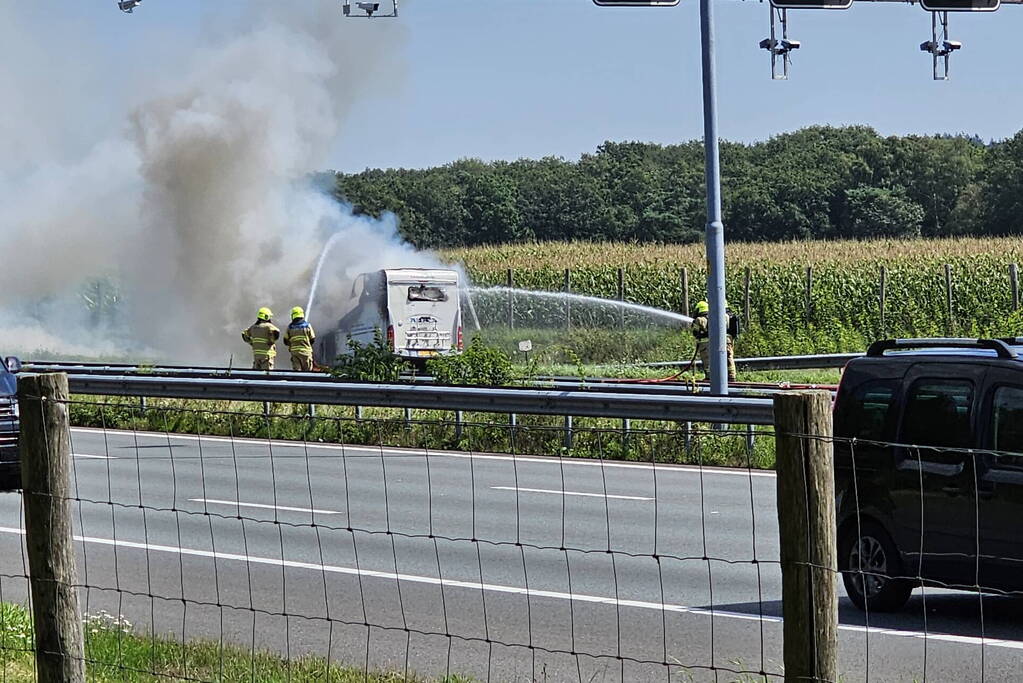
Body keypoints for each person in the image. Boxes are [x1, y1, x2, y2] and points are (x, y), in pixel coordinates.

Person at [690, 300, 736, 383]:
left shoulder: (699, 319)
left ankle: (709, 377)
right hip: (727, 341)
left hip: (705, 344)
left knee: (707, 360)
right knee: (728, 357)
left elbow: (695, 332)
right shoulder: (721, 316)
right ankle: (731, 376)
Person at [284, 306, 316, 372]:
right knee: (307, 372)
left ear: (293, 315)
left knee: (297, 372)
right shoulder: (307, 326)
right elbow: (312, 339)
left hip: (295, 353)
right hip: (306, 353)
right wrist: (306, 345)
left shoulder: (290, 327)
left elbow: (285, 341)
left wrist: (292, 345)